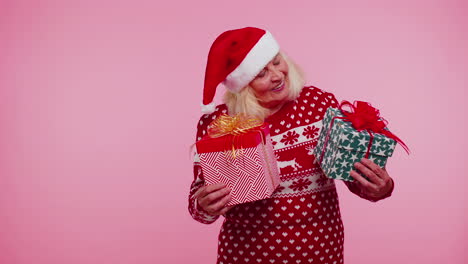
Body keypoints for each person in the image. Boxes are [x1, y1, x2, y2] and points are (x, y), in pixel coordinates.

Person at [188, 27, 394, 264]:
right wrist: (205, 205)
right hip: (247, 253)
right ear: (243, 85)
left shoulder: (318, 103)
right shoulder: (219, 124)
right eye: (261, 73)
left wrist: (379, 187)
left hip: (320, 249)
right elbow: (198, 206)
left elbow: (350, 174)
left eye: (277, 62)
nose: (277, 75)